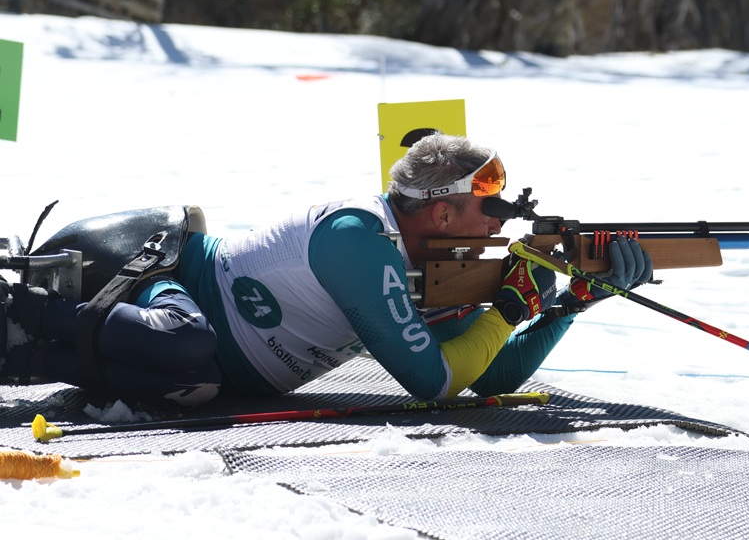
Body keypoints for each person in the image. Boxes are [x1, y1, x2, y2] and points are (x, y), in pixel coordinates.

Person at [0, 133, 652, 408]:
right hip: (161, 273)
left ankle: (40, 357)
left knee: (193, 381)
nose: (500, 231)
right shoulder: (357, 239)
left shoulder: (429, 262)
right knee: (187, 345)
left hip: (220, 370)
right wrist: (507, 309)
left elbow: (492, 374)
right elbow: (431, 381)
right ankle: (25, 308)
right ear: (444, 213)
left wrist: (570, 303)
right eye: (489, 213)